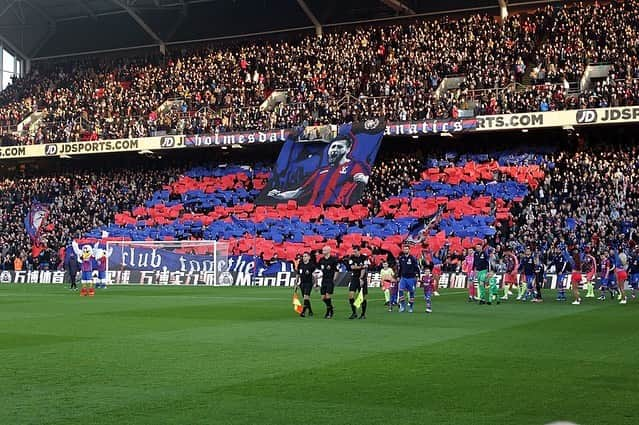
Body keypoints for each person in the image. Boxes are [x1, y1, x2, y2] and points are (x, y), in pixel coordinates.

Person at [267, 134, 371, 206]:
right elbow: (299, 192)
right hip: (316, 210)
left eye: (339, 147)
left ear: (348, 149)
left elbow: (362, 178)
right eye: (333, 147)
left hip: (337, 211)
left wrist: (363, 179)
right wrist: (280, 195)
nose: (334, 150)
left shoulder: (354, 166)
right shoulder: (320, 171)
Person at [346, 246, 368, 319]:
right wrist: (360, 267)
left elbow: (364, 268)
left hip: (362, 278)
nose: (354, 253)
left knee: (363, 296)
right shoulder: (352, 257)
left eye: (355, 251)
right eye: (353, 251)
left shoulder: (364, 257)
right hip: (354, 278)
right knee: (351, 295)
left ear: (359, 251)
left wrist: (361, 278)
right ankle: (354, 313)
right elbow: (351, 267)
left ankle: (363, 314)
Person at [316, 246, 339, 318]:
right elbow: (319, 270)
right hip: (324, 280)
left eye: (324, 250)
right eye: (323, 250)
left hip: (330, 280)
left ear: (329, 251)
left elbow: (336, 270)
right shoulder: (321, 260)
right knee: (323, 298)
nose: (323, 251)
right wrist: (317, 277)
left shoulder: (333, 260)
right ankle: (331, 308)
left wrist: (333, 279)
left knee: (328, 295)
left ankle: (329, 312)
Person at [397, 244, 420, 313]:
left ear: (409, 250)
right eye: (404, 249)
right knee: (400, 290)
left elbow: (417, 268)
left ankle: (411, 307)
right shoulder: (401, 258)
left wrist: (418, 276)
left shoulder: (412, 258)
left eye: (407, 249)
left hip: (411, 278)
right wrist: (398, 276)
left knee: (411, 293)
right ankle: (403, 306)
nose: (405, 250)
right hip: (403, 278)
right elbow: (400, 268)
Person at [295, 252, 316, 318]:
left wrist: (315, 283)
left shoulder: (311, 265)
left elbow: (315, 275)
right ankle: (310, 311)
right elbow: (298, 274)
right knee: (305, 298)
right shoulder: (300, 265)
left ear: (309, 257)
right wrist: (296, 282)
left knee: (306, 297)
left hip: (309, 283)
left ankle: (303, 312)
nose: (304, 257)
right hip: (302, 283)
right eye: (303, 256)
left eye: (306, 256)